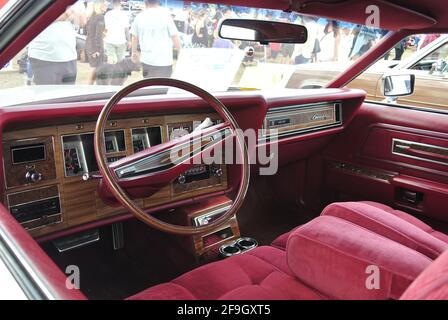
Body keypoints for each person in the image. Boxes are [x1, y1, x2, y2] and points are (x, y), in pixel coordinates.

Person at [28, 4, 86, 85]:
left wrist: (64, 14)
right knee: (45, 94)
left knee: (66, 95)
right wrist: (67, 14)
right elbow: (38, 17)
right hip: (43, 56)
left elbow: (83, 21)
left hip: (68, 56)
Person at [130, 0, 181, 78]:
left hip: (147, 60)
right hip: (164, 60)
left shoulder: (139, 17)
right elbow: (174, 36)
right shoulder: (166, 16)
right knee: (163, 86)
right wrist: (180, 52)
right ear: (158, 2)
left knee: (149, 86)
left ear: (145, 2)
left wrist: (134, 52)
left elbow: (134, 37)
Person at [85, 0, 107, 84]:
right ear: (100, 5)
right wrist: (97, 50)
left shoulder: (91, 16)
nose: (106, 6)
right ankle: (90, 89)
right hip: (96, 47)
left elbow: (87, 32)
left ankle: (90, 88)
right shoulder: (100, 17)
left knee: (95, 71)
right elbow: (97, 35)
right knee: (97, 71)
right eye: (105, 4)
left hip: (89, 45)